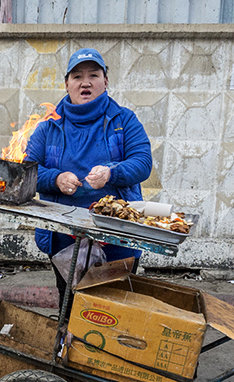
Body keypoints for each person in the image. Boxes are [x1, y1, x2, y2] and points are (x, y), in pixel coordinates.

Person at [25, 47, 153, 311]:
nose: (85, 82)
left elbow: (142, 163)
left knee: (115, 309)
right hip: (64, 237)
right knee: (71, 307)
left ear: (105, 81)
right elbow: (27, 171)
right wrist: (56, 179)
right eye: (77, 76)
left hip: (117, 235)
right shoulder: (48, 125)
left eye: (93, 75)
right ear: (66, 83)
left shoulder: (124, 120)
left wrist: (111, 173)